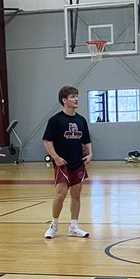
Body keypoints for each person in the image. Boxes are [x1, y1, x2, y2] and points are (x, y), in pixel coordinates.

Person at [42, 85, 92, 239]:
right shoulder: (55, 120)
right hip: (62, 164)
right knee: (60, 195)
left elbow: (86, 140)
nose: (76, 99)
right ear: (64, 100)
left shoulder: (81, 120)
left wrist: (90, 153)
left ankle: (74, 227)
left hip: (78, 162)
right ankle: (54, 225)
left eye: (77, 96)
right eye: (72, 96)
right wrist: (55, 157)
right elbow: (47, 141)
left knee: (76, 196)